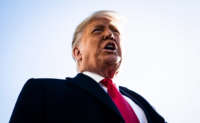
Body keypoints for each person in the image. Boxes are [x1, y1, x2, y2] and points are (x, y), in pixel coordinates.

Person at [9, 10, 166, 123]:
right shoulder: (42, 90)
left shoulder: (143, 104)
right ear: (78, 53)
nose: (110, 35)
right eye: (98, 30)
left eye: (115, 31)